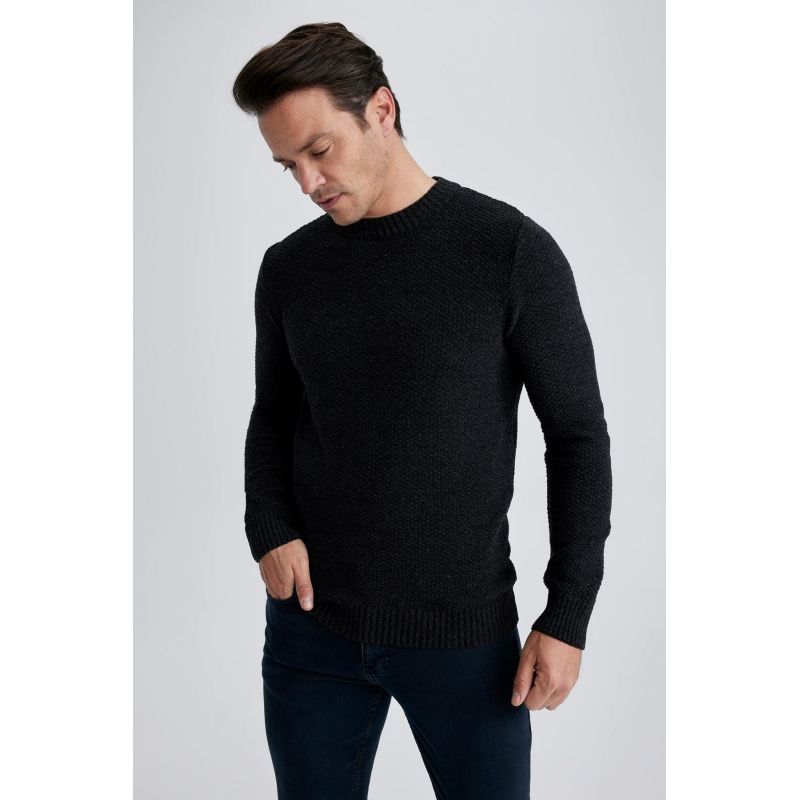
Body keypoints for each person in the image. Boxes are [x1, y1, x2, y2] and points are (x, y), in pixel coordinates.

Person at [232, 21, 612, 800]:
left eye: (319, 150)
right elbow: (272, 415)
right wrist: (267, 525)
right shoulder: (290, 269)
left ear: (382, 109)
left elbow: (577, 437)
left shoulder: (507, 251)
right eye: (288, 165)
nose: (307, 182)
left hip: (463, 638)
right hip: (310, 630)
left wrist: (567, 614)